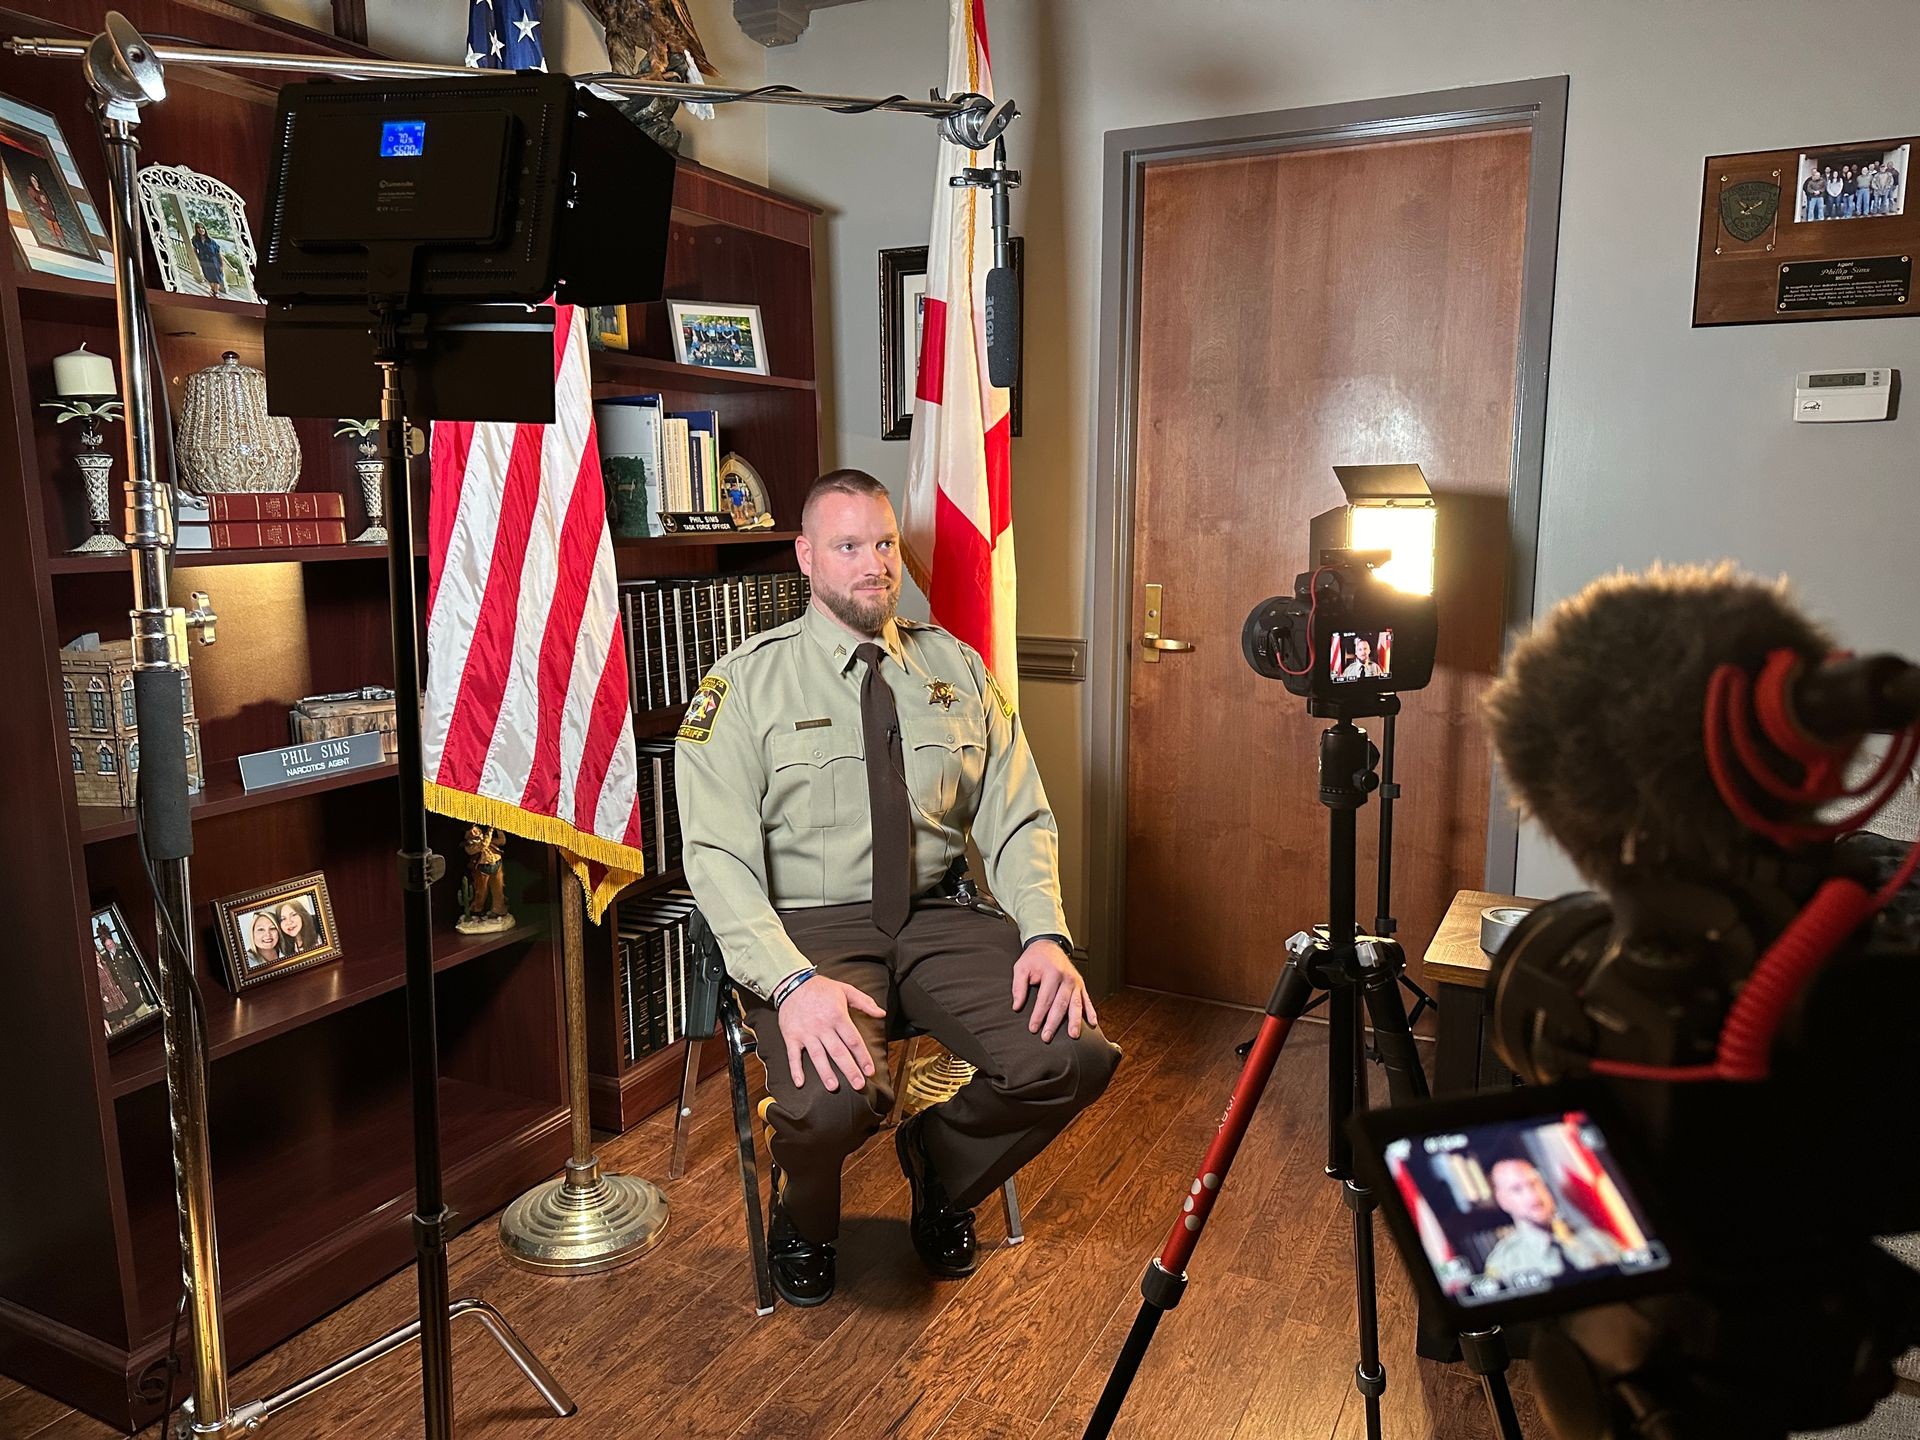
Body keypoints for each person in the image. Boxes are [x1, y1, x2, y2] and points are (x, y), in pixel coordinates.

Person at [678, 469, 1120, 1307]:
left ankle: (941, 1169)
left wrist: (1044, 934)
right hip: (810, 932)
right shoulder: (743, 688)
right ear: (806, 557)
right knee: (829, 1104)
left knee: (1073, 1055)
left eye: (883, 543)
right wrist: (790, 982)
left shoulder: (953, 666)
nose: (872, 564)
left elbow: (1019, 816)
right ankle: (805, 1220)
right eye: (847, 547)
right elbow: (717, 861)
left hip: (938, 916)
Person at [1481, 1156, 1624, 1281]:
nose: (1532, 1195)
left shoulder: (1597, 1239)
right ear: (1503, 1201)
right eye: (1517, 1189)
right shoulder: (1503, 1264)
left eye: (1534, 1183)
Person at [191, 222, 225, 297]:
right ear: (196, 230)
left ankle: (216, 293)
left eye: (202, 228)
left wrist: (222, 265)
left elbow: (219, 253)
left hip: (214, 262)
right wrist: (199, 259)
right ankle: (213, 291)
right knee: (209, 278)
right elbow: (195, 250)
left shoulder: (211, 241)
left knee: (217, 279)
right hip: (204, 262)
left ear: (205, 229)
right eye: (198, 228)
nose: (201, 229)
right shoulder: (195, 240)